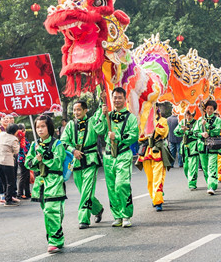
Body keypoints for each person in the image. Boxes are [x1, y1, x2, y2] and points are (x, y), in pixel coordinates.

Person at [61, 100, 107, 229]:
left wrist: (102, 102)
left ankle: (83, 219)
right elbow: (63, 141)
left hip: (91, 160)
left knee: (87, 191)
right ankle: (98, 209)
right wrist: (73, 150)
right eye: (74, 110)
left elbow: (100, 120)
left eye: (79, 110)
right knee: (83, 192)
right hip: (76, 162)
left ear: (86, 110)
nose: (76, 112)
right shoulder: (70, 125)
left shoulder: (92, 121)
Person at [25, 115, 66, 254]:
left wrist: (45, 156)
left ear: (49, 127)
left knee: (51, 210)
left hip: (55, 181)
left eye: (43, 126)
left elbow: (58, 162)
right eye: (37, 127)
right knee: (47, 212)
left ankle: (55, 240)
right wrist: (36, 159)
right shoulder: (34, 145)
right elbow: (28, 163)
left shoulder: (57, 144)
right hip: (41, 183)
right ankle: (54, 236)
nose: (40, 129)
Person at [101, 87, 139, 228]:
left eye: (119, 97)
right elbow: (98, 129)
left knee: (121, 184)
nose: (117, 100)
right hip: (109, 156)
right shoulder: (108, 116)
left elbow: (134, 135)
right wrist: (101, 112)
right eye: (114, 97)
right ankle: (117, 215)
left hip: (123, 154)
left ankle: (126, 214)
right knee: (111, 187)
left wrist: (116, 136)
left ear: (124, 99)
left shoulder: (131, 118)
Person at [137, 105, 171, 211]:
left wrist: (153, 123)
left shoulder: (163, 120)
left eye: (154, 106)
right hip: (147, 152)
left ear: (157, 108)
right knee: (150, 179)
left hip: (158, 151)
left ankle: (158, 200)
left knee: (158, 177)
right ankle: (154, 198)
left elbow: (163, 132)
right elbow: (139, 137)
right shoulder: (143, 121)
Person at [193, 100, 221, 195]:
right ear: (205, 109)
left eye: (211, 109)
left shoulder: (217, 120)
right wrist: (201, 134)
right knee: (205, 168)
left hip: (213, 146)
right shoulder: (199, 120)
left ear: (214, 110)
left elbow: (217, 131)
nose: (209, 110)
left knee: (212, 166)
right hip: (202, 146)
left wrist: (208, 128)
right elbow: (194, 132)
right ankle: (209, 183)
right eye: (208, 108)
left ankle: (212, 186)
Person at [0, 124, 20, 206]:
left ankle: (6, 197)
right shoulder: (14, 139)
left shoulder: (2, 134)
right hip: (7, 162)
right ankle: (8, 200)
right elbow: (16, 151)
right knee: (10, 181)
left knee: (4, 180)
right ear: (15, 131)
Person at [174, 109, 200, 190]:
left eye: (190, 114)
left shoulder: (196, 123)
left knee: (193, 166)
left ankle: (192, 183)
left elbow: (197, 134)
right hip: (184, 148)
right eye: (187, 114)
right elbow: (175, 132)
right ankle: (190, 179)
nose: (188, 116)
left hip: (193, 147)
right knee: (186, 167)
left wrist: (188, 131)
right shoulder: (182, 122)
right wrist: (181, 130)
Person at [0, 115, 12, 203]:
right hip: (1, 155)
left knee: (8, 177)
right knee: (2, 177)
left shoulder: (8, 130)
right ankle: (2, 195)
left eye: (7, 118)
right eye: (3, 119)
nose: (6, 120)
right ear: (0, 120)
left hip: (8, 155)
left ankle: (9, 195)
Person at [17, 124, 31, 199]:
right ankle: (20, 193)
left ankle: (27, 192)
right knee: (23, 176)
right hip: (23, 159)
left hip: (25, 159)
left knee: (27, 176)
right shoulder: (20, 139)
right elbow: (24, 149)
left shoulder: (22, 138)